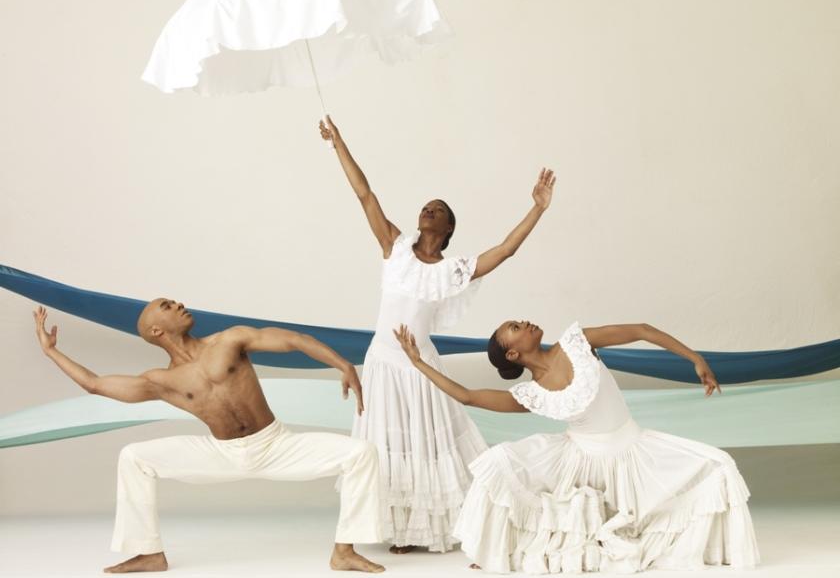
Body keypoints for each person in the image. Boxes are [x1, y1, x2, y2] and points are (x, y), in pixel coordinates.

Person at [318, 116, 555, 553]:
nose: (428, 211)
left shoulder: (453, 270)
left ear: (447, 230)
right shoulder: (393, 248)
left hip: (419, 363)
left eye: (439, 210)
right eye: (426, 207)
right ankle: (399, 529)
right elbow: (364, 194)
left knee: (424, 442)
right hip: (383, 362)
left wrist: (537, 208)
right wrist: (339, 144)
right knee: (386, 441)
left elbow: (505, 250)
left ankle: (426, 528)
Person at [32, 302, 385, 574]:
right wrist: (50, 351)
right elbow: (94, 384)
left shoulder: (230, 340)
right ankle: (150, 552)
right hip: (222, 453)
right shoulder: (160, 381)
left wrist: (344, 365)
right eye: (167, 306)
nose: (178, 305)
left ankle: (344, 551)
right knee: (134, 456)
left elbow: (295, 339)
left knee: (361, 453)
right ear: (156, 330)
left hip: (277, 445)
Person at [393, 320, 760, 573]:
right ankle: (491, 548)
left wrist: (695, 359)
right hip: (581, 461)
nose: (525, 323)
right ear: (512, 355)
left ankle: (715, 552)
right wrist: (417, 362)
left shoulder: (576, 341)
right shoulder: (532, 395)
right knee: (499, 461)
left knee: (718, 465)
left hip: (632, 448)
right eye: (515, 328)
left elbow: (641, 330)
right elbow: (468, 396)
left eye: (519, 320)